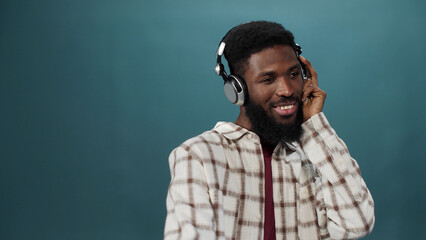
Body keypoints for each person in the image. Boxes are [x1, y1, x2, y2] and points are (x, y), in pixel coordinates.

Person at [164, 21, 374, 240]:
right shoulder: (198, 155)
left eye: (293, 75)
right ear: (237, 89)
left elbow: (358, 224)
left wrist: (314, 125)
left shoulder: (319, 152)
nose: (286, 90)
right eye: (268, 79)